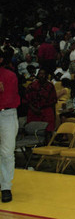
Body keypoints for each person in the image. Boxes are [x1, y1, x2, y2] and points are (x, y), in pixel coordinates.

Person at [0, 50, 20, 203]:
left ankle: (6, 187)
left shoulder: (9, 75)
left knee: (7, 152)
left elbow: (7, 99)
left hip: (6, 115)